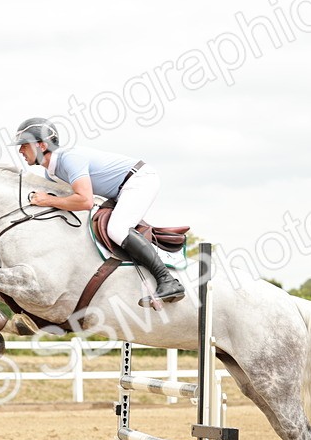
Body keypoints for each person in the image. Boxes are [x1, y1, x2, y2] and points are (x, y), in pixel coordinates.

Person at [14, 117, 185, 307]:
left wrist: (47, 199)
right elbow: (70, 203)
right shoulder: (51, 173)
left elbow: (85, 201)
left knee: (117, 229)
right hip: (120, 190)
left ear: (42, 145)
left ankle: (168, 280)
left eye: (24, 145)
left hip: (139, 180)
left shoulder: (69, 158)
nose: (20, 150)